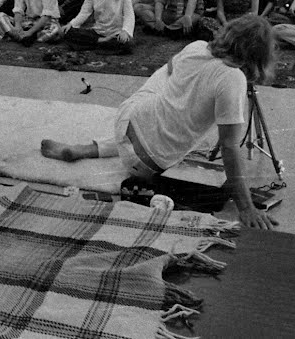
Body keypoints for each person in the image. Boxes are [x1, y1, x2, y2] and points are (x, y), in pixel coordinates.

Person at [40, 16, 279, 230]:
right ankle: (100, 147)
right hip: (148, 165)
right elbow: (229, 147)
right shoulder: (233, 78)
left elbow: (173, 69)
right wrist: (246, 208)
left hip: (128, 122)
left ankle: (88, 148)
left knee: (166, 76)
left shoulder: (197, 47)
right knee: (184, 122)